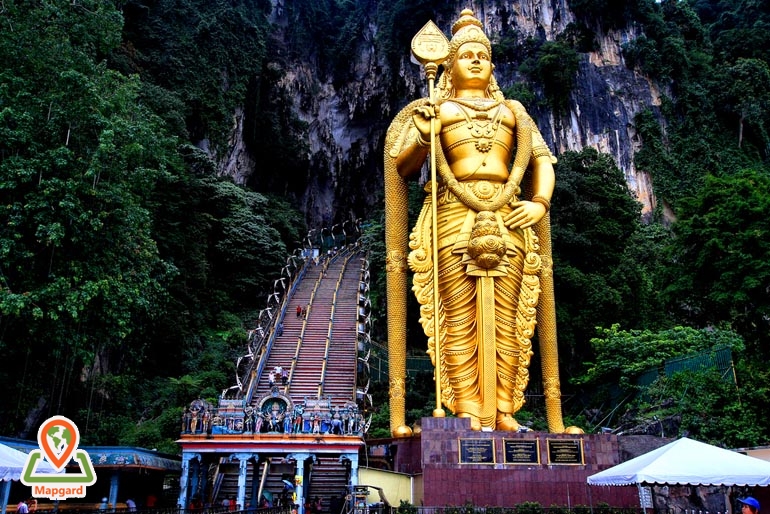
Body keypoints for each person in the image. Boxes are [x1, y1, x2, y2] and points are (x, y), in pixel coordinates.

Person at [384, 9, 561, 432]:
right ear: (450, 65)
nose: (477, 60)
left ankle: (503, 410)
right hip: (452, 217)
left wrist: (539, 202)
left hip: (508, 215)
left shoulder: (514, 112)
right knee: (458, 316)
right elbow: (401, 165)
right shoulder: (436, 109)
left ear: (493, 65)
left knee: (508, 315)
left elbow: (542, 160)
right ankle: (465, 408)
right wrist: (424, 136)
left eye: (483, 54)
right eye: (467, 55)